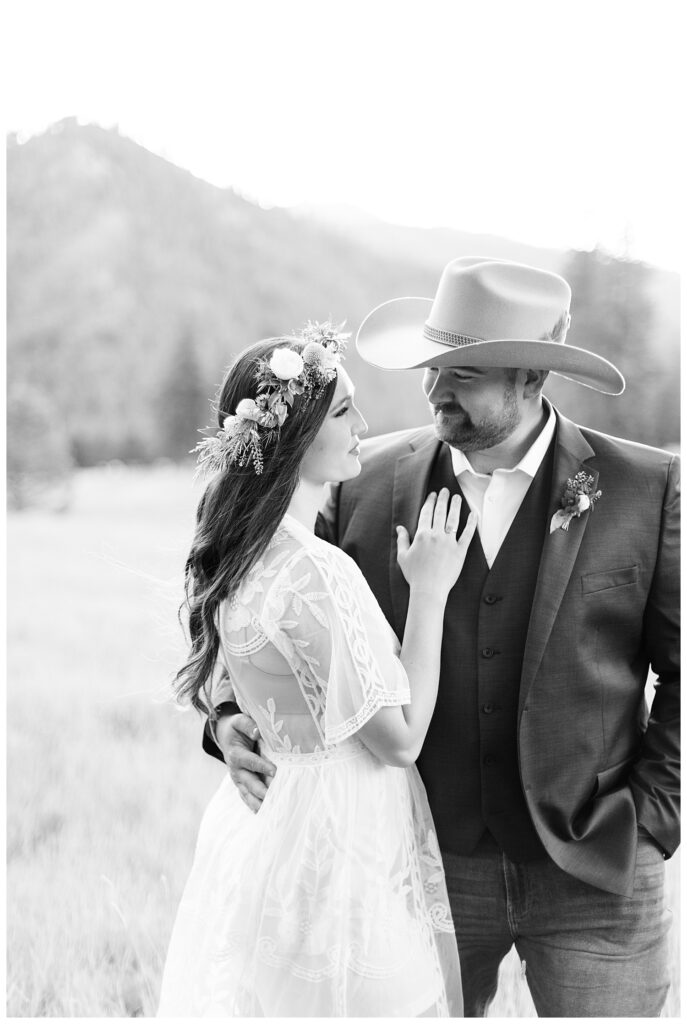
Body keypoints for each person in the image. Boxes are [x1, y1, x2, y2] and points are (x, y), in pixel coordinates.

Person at [208, 259, 680, 1017]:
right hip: (418, 864)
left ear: (530, 379)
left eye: (461, 373)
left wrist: (654, 814)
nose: (433, 391)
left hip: (597, 873)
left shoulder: (643, 488)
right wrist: (229, 718)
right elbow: (281, 614)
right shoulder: (362, 483)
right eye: (433, 367)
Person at [157, 322, 473, 1017]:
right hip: (338, 843)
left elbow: (245, 693)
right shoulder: (314, 571)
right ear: (293, 436)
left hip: (270, 835)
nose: (363, 423)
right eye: (342, 410)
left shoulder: (244, 557)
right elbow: (399, 742)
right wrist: (428, 592)